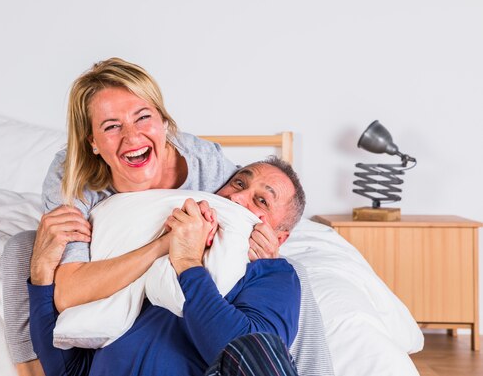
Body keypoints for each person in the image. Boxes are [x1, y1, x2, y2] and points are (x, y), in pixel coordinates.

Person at [1, 58, 284, 374]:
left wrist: (269, 251)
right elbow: (69, 294)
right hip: (112, 257)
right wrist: (164, 244)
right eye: (111, 126)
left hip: (185, 273)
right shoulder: (72, 175)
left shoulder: (208, 166)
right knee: (23, 247)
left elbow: (260, 206)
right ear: (92, 143)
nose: (132, 138)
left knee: (286, 271)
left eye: (143, 118)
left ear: (164, 122)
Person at [28, 157, 305, 376]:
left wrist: (188, 264)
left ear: (279, 237)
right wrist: (40, 277)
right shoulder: (140, 254)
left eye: (261, 201)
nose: (236, 199)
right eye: (238, 184)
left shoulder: (273, 274)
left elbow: (249, 358)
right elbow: (68, 370)